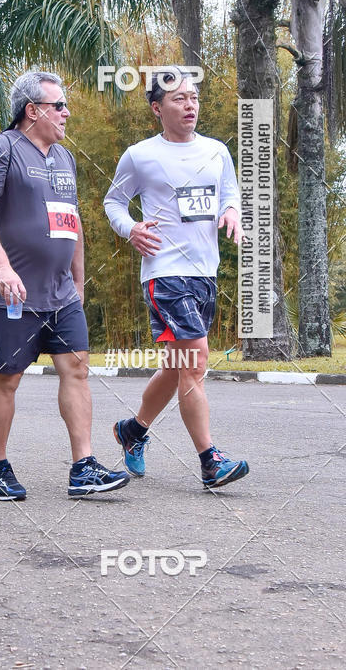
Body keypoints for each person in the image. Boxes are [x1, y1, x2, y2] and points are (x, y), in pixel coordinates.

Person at [0, 70, 130, 500]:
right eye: (59, 106)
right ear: (32, 110)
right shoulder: (1, 150)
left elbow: (70, 220)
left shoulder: (65, 159)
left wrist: (78, 278)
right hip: (12, 294)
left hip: (61, 293)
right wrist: (1, 267)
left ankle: (83, 467)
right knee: (8, 377)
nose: (67, 113)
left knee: (76, 369)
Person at [104, 69, 249, 489]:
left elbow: (229, 193)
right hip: (165, 272)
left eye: (194, 97)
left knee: (176, 365)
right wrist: (130, 228)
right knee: (196, 362)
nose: (190, 105)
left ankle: (133, 430)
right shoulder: (140, 155)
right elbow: (113, 202)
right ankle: (210, 461)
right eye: (179, 99)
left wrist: (231, 213)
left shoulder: (217, 151)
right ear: (157, 108)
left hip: (205, 271)